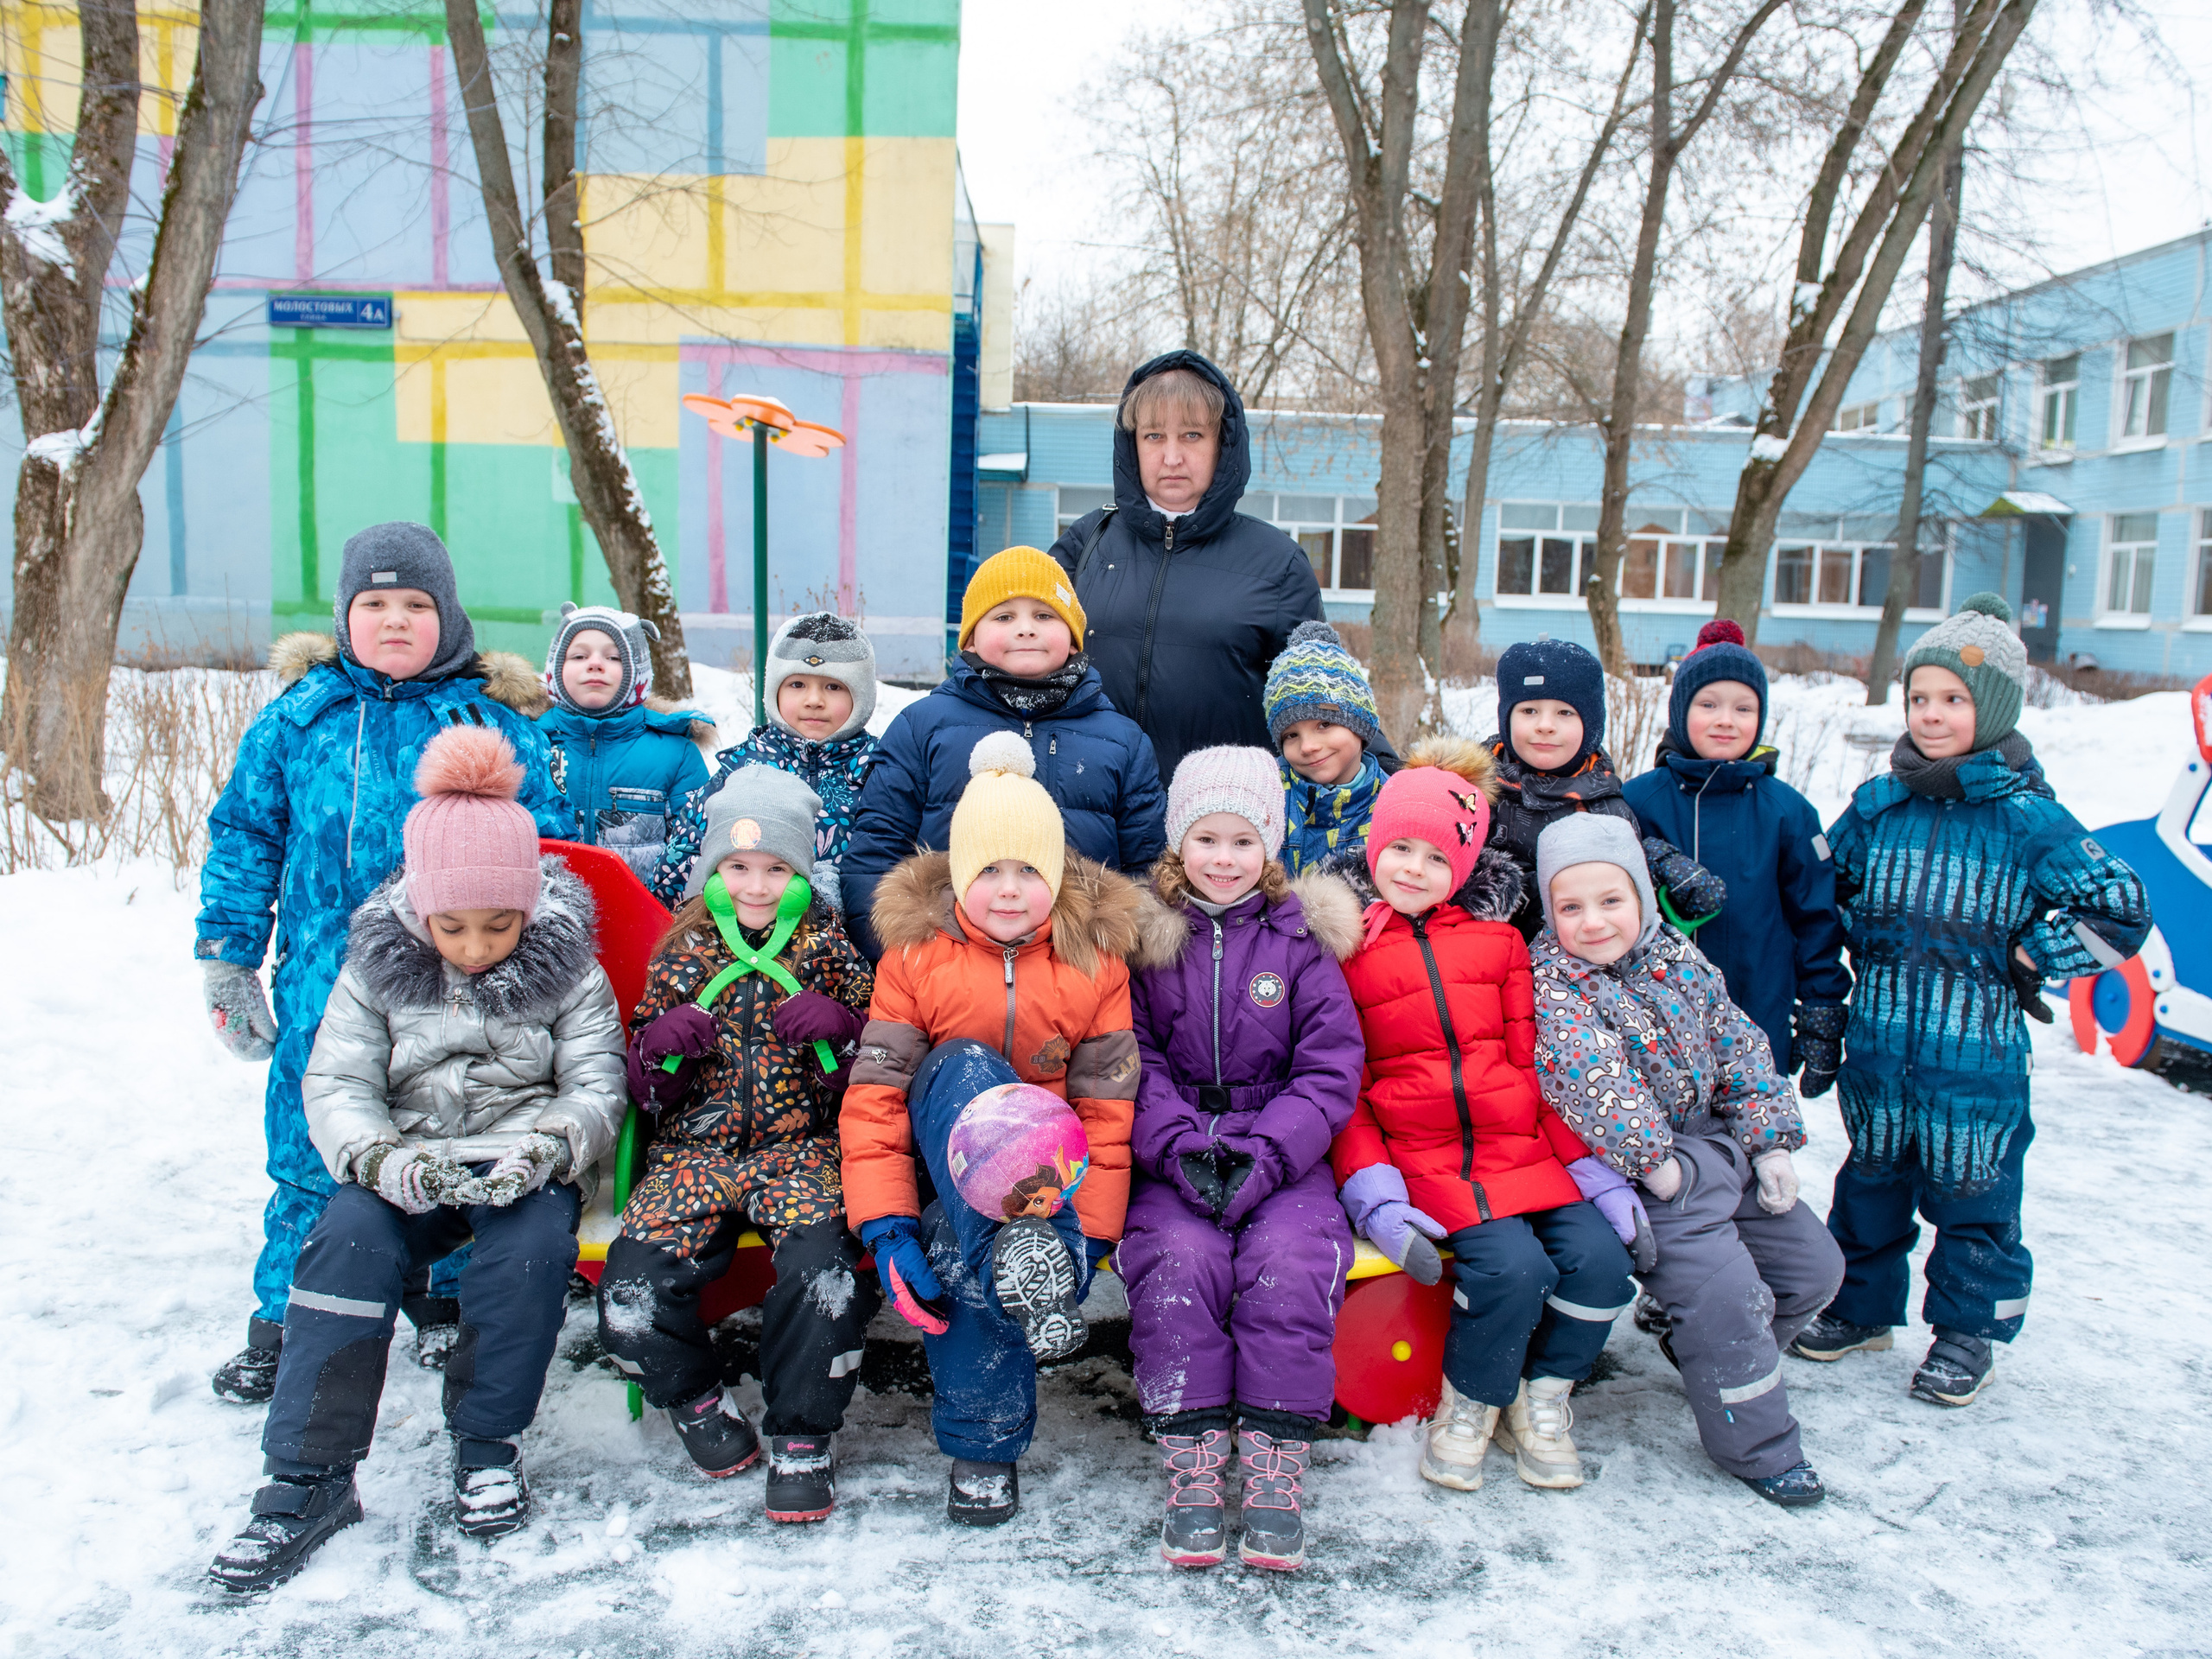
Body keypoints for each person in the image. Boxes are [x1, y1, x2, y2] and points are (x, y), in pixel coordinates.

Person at [205, 727, 626, 1592]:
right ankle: (306, 1475)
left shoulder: (570, 969)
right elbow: (337, 1082)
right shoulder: (377, 964)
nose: (474, 947)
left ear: (528, 909)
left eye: (498, 926)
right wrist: (380, 1159)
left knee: (528, 1255)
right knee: (345, 1244)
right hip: (410, 1161)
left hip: (521, 1158)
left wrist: (550, 1149)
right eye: (453, 927)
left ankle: (485, 1445)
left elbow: (597, 1082)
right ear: (418, 909)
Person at [196, 523, 569, 1404]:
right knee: (310, 1143)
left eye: (415, 604)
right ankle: (287, 1316)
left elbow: (550, 853)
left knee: (462, 1126)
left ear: (448, 614)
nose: (395, 621)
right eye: (375, 604)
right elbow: (246, 835)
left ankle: (448, 1299)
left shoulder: (488, 720)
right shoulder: (301, 717)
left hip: (465, 983)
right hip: (326, 983)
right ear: (345, 614)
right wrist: (227, 956)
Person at [1791, 595, 2149, 1407]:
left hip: (1976, 1056)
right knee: (1871, 1180)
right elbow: (1820, 892)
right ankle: (1861, 1308)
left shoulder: (2028, 819)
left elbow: (2120, 908)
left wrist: (2035, 951)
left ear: (1990, 709)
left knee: (1974, 1193)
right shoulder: (1879, 809)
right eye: (1920, 697)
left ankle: (1967, 1329)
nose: (1932, 714)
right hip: (1880, 1046)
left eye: (1952, 699)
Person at [839, 734, 1144, 1525]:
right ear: (958, 874)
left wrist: (1093, 1236)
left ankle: (986, 1442)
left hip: (1053, 1192)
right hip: (943, 1157)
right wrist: (886, 1225)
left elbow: (1107, 1111)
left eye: (1029, 871)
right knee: (968, 1066)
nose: (1009, 892)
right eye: (989, 871)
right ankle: (1014, 1259)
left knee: (963, 1249)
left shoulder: (1095, 963)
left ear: (1057, 874)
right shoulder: (913, 958)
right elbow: (875, 1100)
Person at [1330, 741, 1636, 1494]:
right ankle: (1473, 1401)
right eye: (1399, 847)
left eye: (1436, 857)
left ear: (1464, 871)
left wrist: (1589, 1170)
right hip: (1428, 1163)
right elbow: (1348, 1089)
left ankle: (1544, 1398)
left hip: (1524, 1150)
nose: (1413, 869)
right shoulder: (1344, 953)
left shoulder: (1500, 946)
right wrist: (1376, 1189)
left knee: (1602, 1262)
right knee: (1513, 1267)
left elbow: (1535, 1070)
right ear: (1374, 848)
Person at [1530, 812, 1843, 1508]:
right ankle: (1759, 1446)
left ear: (1641, 896)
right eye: (1571, 907)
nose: (1594, 922)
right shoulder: (1553, 982)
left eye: (1611, 901)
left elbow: (1738, 1042)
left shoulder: (1676, 956)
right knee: (1727, 1301)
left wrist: (1770, 1141)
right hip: (1649, 1171)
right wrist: (1653, 1161)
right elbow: (1589, 1076)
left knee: (1813, 1270)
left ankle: (1689, 1341)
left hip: (1723, 1143)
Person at [600, 767, 879, 1522]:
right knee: (629, 1293)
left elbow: (874, 1071)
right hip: (696, 1153)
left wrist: (843, 1032)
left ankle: (802, 1433)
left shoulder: (827, 950)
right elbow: (647, 1090)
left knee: (827, 1282)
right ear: (713, 870)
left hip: (800, 1150)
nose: (756, 885)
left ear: (801, 872)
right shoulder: (682, 954)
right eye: (739, 866)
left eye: (776, 868)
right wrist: (660, 1050)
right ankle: (694, 1400)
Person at [1119, 747, 1364, 1572]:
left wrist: (1269, 1151)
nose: (1224, 861)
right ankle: (1191, 1456)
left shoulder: (1301, 942)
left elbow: (1329, 1069)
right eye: (1207, 840)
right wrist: (1177, 1143)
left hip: (1282, 1151)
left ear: (1271, 849)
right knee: (1177, 1259)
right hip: (1175, 1148)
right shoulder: (1148, 943)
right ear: (1176, 846)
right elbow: (1132, 1056)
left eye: (1243, 843)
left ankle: (1273, 1458)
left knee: (1290, 1261)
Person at [1047, 351, 1398, 780]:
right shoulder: (1088, 544)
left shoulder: (1276, 563)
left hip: (1225, 828)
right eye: (1154, 436)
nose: (1172, 457)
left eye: (1192, 436)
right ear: (1131, 444)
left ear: (1222, 445)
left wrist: (1399, 776)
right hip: (1094, 816)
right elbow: (1016, 653)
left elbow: (1325, 692)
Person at [839, 546, 1166, 959]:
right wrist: (896, 960)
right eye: (1004, 616)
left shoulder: (1122, 741)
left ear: (1073, 636)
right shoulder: (922, 727)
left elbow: (1146, 869)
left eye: (1045, 616)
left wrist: (1120, 966)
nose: (1026, 629)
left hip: (1078, 975)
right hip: (942, 968)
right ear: (972, 637)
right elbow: (877, 850)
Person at [1621, 620, 1852, 1096]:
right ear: (1681, 712)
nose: (1726, 719)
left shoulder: (1787, 810)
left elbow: (1816, 917)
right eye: (1709, 705)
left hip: (1757, 1012)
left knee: (1749, 1151)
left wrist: (1821, 1011)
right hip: (1652, 1023)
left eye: (1743, 708)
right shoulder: (1638, 801)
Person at [1484, 637, 1724, 941]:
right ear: (1506, 718)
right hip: (1496, 967)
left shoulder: (1609, 807)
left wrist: (1656, 861)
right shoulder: (1479, 795)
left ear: (1591, 725)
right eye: (1529, 711)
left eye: (1564, 713)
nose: (1545, 725)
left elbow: (1632, 905)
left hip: (1587, 974)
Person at [652, 611, 880, 908]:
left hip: (851, 945)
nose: (814, 700)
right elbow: (684, 853)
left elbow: (900, 859)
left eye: (833, 686)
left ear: (861, 696)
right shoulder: (743, 767)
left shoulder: (879, 770)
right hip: (742, 938)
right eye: (797, 685)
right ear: (774, 691)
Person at [538, 601, 711, 879]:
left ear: (637, 671)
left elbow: (699, 845)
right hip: (546, 915)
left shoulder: (675, 754)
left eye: (614, 658)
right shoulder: (529, 745)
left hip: (646, 916)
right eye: (579, 656)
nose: (595, 664)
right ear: (555, 668)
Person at [1264, 620, 1389, 876]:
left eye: (1324, 724)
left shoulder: (1395, 803)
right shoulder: (1267, 794)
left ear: (1360, 724)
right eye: (1291, 735)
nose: (1308, 746)